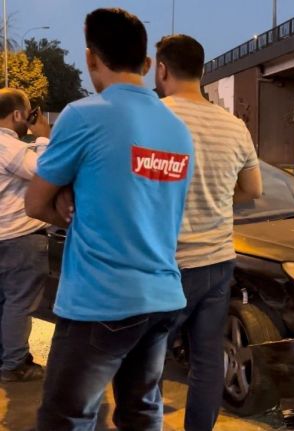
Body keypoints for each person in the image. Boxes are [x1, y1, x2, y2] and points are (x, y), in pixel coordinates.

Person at [26, 8, 194, 430]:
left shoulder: (84, 115)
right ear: (147, 64)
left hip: (101, 300)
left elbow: (34, 203)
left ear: (90, 58)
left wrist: (64, 202)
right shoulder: (176, 129)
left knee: (66, 418)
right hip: (161, 297)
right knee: (141, 412)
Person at [155, 34, 262, 431]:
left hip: (168, 264)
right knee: (206, 359)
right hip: (218, 261)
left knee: (147, 360)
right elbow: (252, 189)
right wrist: (215, 200)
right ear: (202, 72)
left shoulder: (155, 118)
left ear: (162, 69)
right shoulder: (233, 126)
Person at [0, 89, 51, 382]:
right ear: (19, 114)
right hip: (17, 239)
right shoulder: (9, 147)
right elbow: (45, 171)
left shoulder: (12, 147)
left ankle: (7, 356)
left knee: (5, 304)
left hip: (3, 238)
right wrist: (43, 136)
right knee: (19, 303)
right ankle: (15, 364)